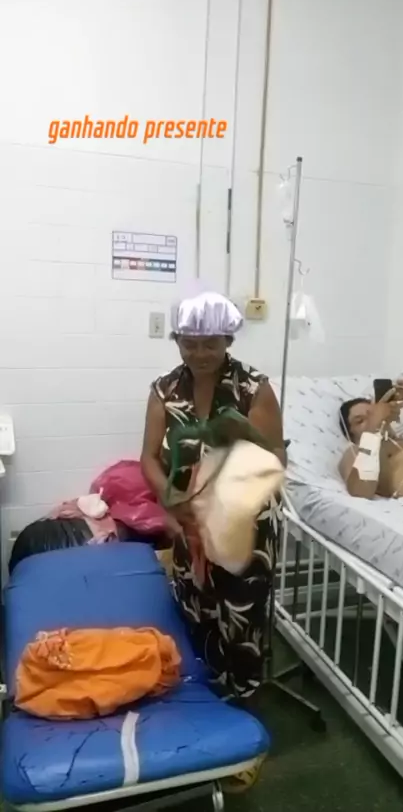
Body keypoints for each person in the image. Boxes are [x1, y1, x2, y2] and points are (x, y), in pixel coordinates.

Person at [141, 291, 285, 707]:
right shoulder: (165, 390)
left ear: (228, 341)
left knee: (241, 613)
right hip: (189, 520)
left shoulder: (253, 388)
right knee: (196, 606)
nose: (200, 353)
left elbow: (276, 456)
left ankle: (244, 701)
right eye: (190, 343)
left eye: (210, 344)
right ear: (177, 341)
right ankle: (202, 700)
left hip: (245, 522)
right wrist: (170, 496)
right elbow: (148, 457)